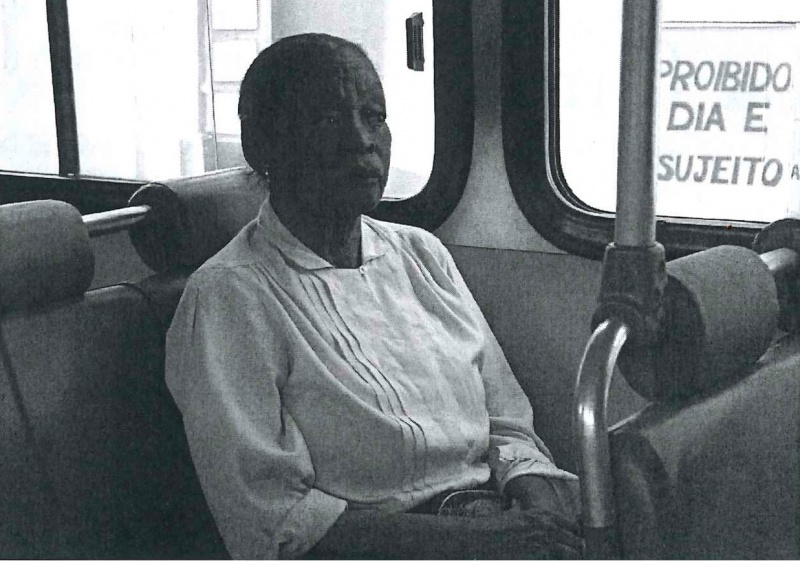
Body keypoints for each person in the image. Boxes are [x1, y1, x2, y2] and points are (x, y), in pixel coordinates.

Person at [166, 33, 582, 559]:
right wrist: (480, 545)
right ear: (261, 146)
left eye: (374, 117)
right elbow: (278, 527)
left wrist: (540, 517)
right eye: (328, 120)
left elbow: (506, 425)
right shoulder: (229, 297)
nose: (363, 140)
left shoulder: (421, 255)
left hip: (491, 522)